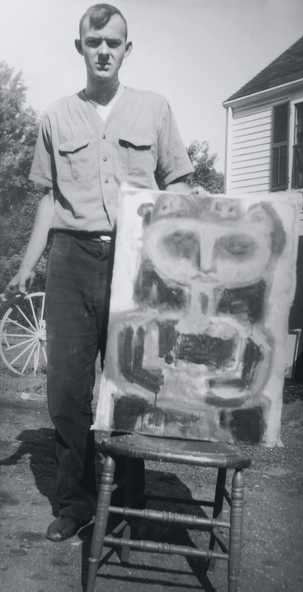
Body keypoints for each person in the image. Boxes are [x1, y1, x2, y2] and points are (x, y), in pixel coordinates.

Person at [8, 3, 193, 542]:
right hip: (69, 260)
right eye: (95, 42)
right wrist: (25, 270)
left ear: (127, 49)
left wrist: (184, 216)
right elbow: (48, 201)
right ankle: (76, 501)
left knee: (131, 386)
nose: (104, 50)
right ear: (80, 48)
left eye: (114, 42)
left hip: (136, 263)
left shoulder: (155, 109)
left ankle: (131, 505)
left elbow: (179, 181)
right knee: (66, 390)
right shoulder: (55, 116)